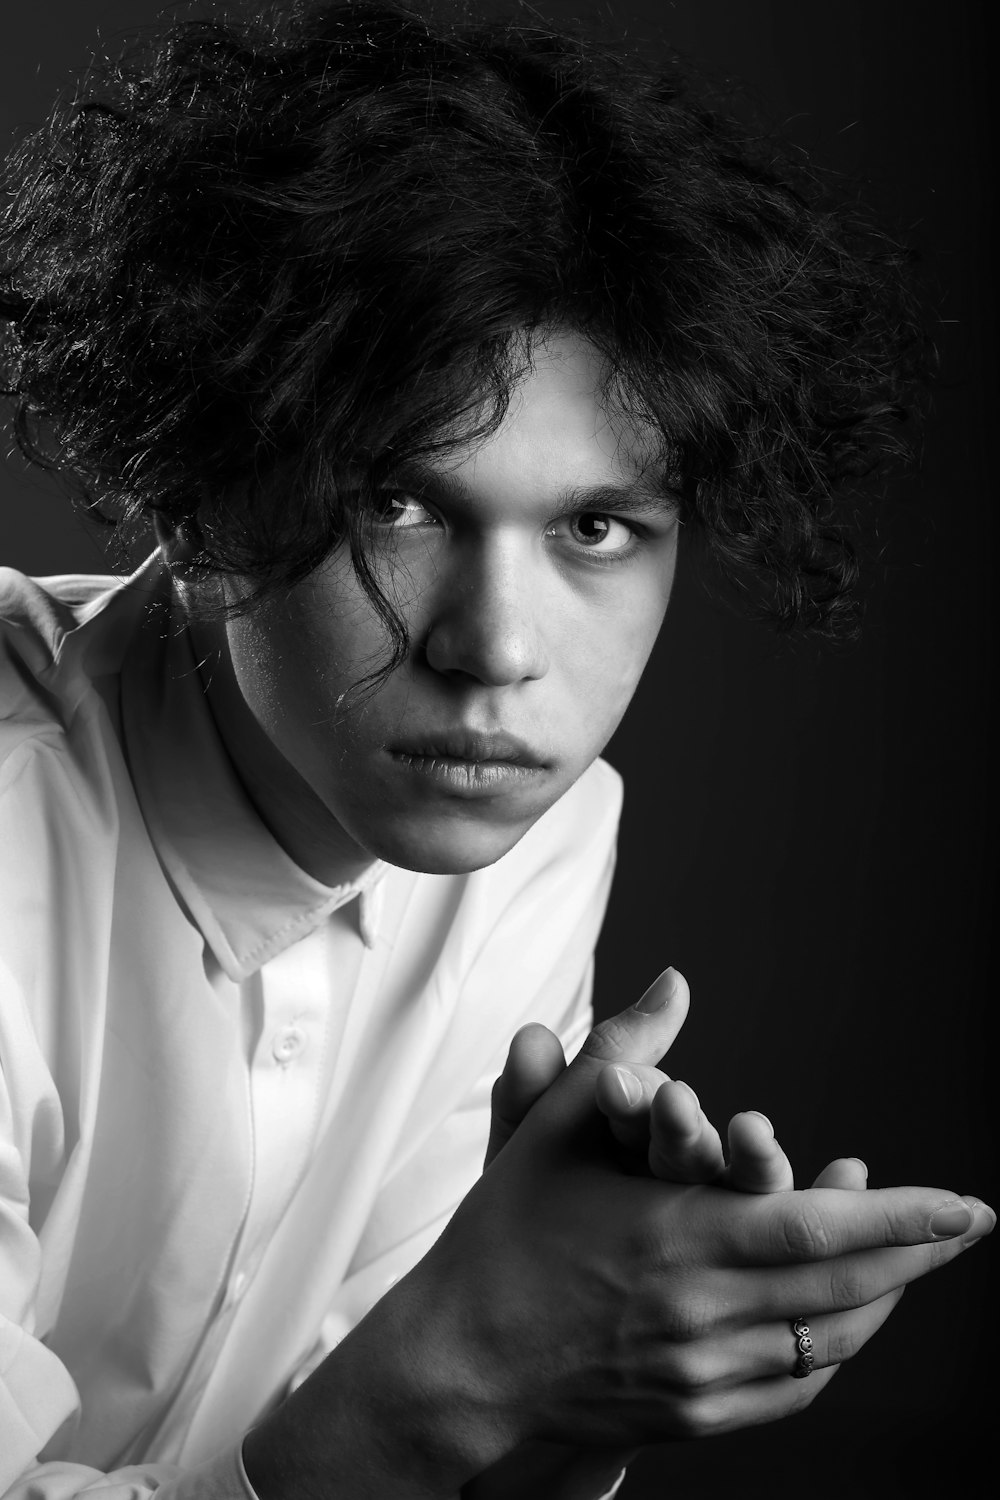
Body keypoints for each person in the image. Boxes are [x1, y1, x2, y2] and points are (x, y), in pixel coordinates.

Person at [0, 2, 993, 1496]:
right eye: (400, 504)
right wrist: (453, 1373)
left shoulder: (542, 834)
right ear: (199, 496)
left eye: (595, 528)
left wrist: (560, 1399)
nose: (502, 648)